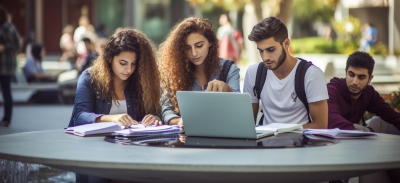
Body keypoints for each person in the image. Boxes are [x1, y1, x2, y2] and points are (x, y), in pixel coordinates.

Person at [243, 17, 328, 128]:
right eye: (261, 51)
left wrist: (282, 132)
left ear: (286, 43)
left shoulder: (311, 75)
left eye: (271, 50)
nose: (265, 57)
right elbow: (247, 125)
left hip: (301, 144)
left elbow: (321, 126)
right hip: (264, 144)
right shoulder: (254, 73)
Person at [158, 17, 240, 127]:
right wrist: (179, 121)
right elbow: (166, 110)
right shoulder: (175, 73)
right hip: (187, 138)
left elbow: (239, 108)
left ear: (210, 42)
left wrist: (227, 89)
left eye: (199, 45)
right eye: (187, 48)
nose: (194, 53)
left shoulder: (229, 69)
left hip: (222, 133)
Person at [327, 51, 400, 134]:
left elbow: (390, 115)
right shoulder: (333, 88)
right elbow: (331, 116)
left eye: (361, 77)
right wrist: (360, 133)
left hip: (353, 135)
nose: (355, 82)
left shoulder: (369, 93)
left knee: (380, 122)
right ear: (346, 72)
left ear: (370, 79)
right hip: (329, 138)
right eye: (351, 74)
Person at [0, 5, 20, 127]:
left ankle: (7, 118)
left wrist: (4, 47)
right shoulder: (5, 26)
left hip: (6, 64)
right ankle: (6, 118)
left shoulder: (7, 27)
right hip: (4, 63)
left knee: (6, 90)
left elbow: (15, 45)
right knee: (5, 90)